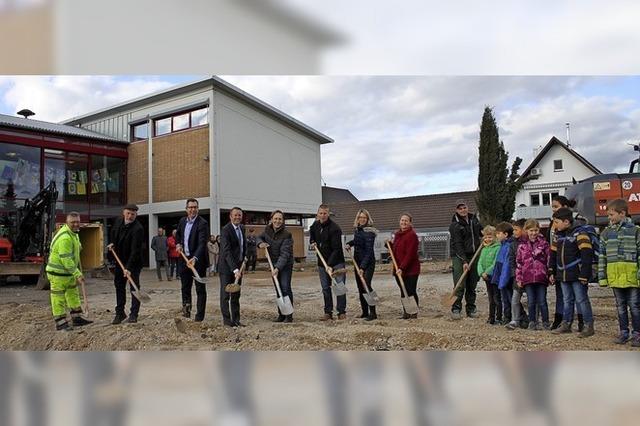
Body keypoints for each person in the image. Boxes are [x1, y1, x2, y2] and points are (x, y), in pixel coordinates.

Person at [598, 199, 640, 346]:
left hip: (632, 276)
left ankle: (637, 334)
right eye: (608, 215)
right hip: (615, 277)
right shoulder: (606, 233)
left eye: (611, 214)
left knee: (635, 305)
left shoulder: (635, 231)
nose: (609, 218)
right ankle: (624, 333)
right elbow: (602, 257)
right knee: (620, 306)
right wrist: (602, 277)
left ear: (622, 213)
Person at [550, 207, 595, 337]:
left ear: (566, 222)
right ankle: (566, 324)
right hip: (562, 274)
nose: (555, 225)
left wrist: (584, 274)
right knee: (567, 299)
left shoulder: (580, 233)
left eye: (557, 222)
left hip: (577, 274)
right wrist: (551, 270)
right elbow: (553, 254)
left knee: (581, 299)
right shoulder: (557, 236)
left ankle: (588, 325)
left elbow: (587, 254)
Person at [46, 211, 92, 330]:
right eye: (73, 222)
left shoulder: (74, 233)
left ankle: (76, 318)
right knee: (58, 297)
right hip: (58, 273)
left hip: (68, 273)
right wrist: (77, 273)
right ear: (67, 222)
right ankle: (61, 323)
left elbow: (77, 246)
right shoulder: (65, 238)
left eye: (77, 222)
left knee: (73, 294)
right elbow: (66, 260)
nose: (76, 224)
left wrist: (78, 247)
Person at [107, 204, 145, 324]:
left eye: (133, 214)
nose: (130, 216)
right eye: (128, 213)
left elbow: (135, 250)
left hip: (134, 262)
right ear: (124, 212)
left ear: (136, 215)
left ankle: (134, 314)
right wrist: (112, 243)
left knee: (134, 287)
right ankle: (120, 313)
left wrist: (128, 268)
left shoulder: (138, 229)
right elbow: (113, 233)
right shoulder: (118, 221)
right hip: (120, 260)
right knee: (119, 285)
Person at [309, 204, 347, 321]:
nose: (323, 215)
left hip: (337, 262)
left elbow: (336, 249)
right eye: (321, 213)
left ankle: (341, 312)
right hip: (322, 263)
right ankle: (328, 312)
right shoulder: (315, 225)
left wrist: (330, 265)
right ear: (317, 214)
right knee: (326, 288)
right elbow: (311, 233)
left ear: (328, 214)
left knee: (339, 287)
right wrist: (312, 241)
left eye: (325, 213)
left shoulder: (335, 228)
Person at [547, 195, 580, 330]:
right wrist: (551, 268)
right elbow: (552, 245)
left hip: (573, 265)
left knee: (578, 295)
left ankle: (582, 321)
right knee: (561, 294)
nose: (554, 210)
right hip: (558, 262)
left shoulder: (578, 221)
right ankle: (560, 319)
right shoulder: (554, 222)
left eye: (556, 207)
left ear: (565, 207)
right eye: (552, 207)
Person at [257, 210, 294, 322]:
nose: (277, 221)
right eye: (276, 219)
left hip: (285, 264)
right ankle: (281, 314)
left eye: (280, 219)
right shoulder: (267, 230)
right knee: (278, 289)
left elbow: (285, 254)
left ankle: (289, 315)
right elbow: (259, 237)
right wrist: (260, 244)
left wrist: (277, 268)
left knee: (285, 287)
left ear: (283, 221)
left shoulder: (287, 234)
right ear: (272, 219)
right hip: (273, 264)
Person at [176, 198, 209, 321]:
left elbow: (202, 243)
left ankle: (199, 316)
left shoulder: (202, 223)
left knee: (200, 289)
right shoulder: (182, 221)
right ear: (186, 209)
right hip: (184, 260)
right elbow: (178, 234)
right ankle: (186, 311)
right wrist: (178, 244)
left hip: (197, 261)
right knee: (185, 287)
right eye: (190, 207)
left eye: (195, 207)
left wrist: (195, 258)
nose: (192, 209)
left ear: (198, 209)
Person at [449, 199, 482, 319]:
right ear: (456, 210)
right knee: (459, 284)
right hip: (459, 256)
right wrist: (464, 261)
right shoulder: (455, 225)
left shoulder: (474, 220)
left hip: (474, 255)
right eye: (460, 208)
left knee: (472, 283)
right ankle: (455, 308)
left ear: (467, 208)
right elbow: (457, 244)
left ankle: (471, 308)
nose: (463, 210)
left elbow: (481, 232)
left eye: (464, 207)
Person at [516, 219, 551, 330]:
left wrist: (549, 273)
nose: (533, 233)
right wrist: (519, 278)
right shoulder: (522, 246)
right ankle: (532, 321)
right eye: (531, 230)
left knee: (542, 301)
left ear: (538, 230)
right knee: (531, 301)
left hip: (541, 276)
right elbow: (519, 263)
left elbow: (548, 259)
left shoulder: (544, 244)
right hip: (528, 277)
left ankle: (545, 321)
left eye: (536, 230)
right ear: (526, 230)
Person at [346, 209, 378, 321]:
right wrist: (349, 244)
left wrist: (362, 267)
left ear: (367, 219)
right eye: (360, 217)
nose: (362, 219)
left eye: (364, 217)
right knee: (360, 287)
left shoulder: (370, 232)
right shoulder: (358, 230)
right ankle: (364, 312)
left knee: (367, 286)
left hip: (368, 263)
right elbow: (357, 241)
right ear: (358, 219)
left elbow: (369, 252)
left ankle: (373, 312)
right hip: (357, 262)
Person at [219, 207, 248, 327]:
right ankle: (227, 321)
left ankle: (236, 320)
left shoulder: (242, 228)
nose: (237, 217)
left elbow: (242, 246)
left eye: (239, 215)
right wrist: (234, 269)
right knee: (225, 295)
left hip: (239, 267)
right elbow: (226, 251)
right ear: (230, 216)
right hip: (226, 268)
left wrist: (243, 260)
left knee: (236, 294)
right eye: (235, 215)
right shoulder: (226, 230)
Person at [389, 213, 420, 319]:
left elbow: (410, 254)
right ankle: (406, 312)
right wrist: (389, 244)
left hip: (410, 269)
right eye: (402, 220)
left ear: (410, 222)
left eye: (406, 220)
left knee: (410, 291)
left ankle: (414, 312)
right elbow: (397, 249)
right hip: (399, 269)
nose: (404, 222)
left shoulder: (412, 235)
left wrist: (402, 268)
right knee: (403, 290)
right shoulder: (398, 234)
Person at [506, 218, 529, 330]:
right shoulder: (513, 244)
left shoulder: (531, 242)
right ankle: (515, 320)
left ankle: (533, 319)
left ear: (524, 229)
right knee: (515, 299)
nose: (513, 232)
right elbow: (511, 260)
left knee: (532, 299)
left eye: (516, 229)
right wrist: (515, 274)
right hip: (518, 276)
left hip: (530, 276)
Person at [477, 225, 502, 325]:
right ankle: (491, 317)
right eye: (486, 237)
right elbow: (479, 262)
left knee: (497, 297)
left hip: (494, 276)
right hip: (486, 277)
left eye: (490, 237)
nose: (488, 239)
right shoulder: (483, 249)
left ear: (495, 237)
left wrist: (487, 272)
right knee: (490, 298)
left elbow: (495, 263)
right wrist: (481, 272)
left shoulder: (497, 248)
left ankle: (499, 317)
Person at [492, 222, 515, 325]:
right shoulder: (502, 245)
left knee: (509, 299)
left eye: (498, 233)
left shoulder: (509, 246)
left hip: (507, 278)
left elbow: (506, 266)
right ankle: (507, 317)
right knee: (504, 299)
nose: (497, 236)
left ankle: (512, 318)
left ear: (505, 234)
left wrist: (502, 281)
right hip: (502, 277)